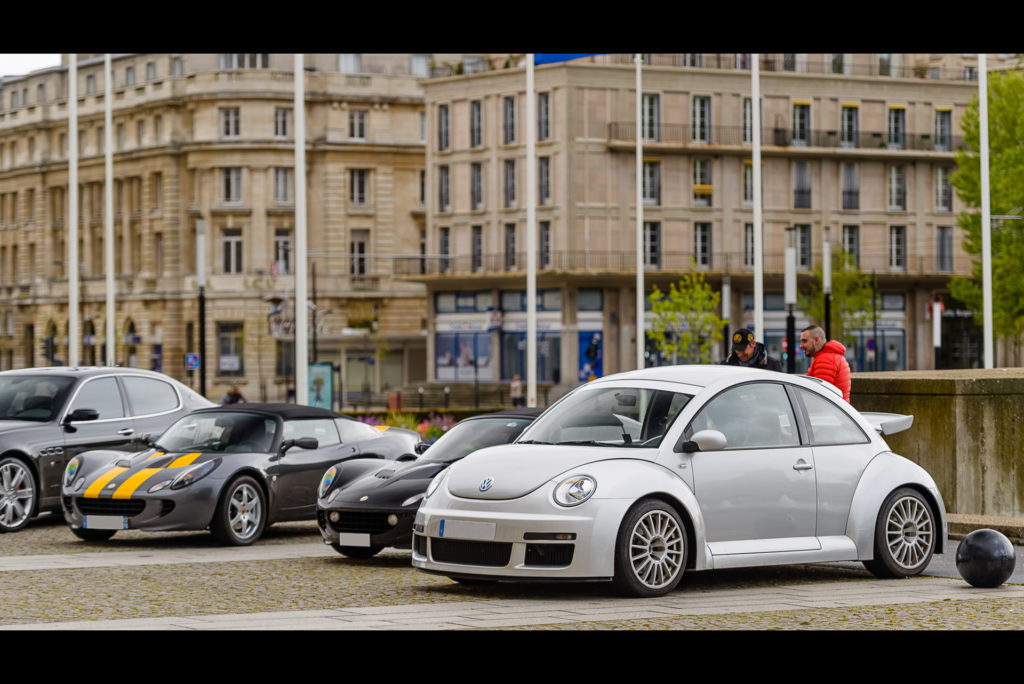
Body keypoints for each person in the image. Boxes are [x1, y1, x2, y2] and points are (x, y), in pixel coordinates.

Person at [799, 325, 851, 402]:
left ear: (816, 340)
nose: (801, 345)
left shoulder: (824, 360)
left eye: (804, 341)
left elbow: (819, 397)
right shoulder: (832, 356)